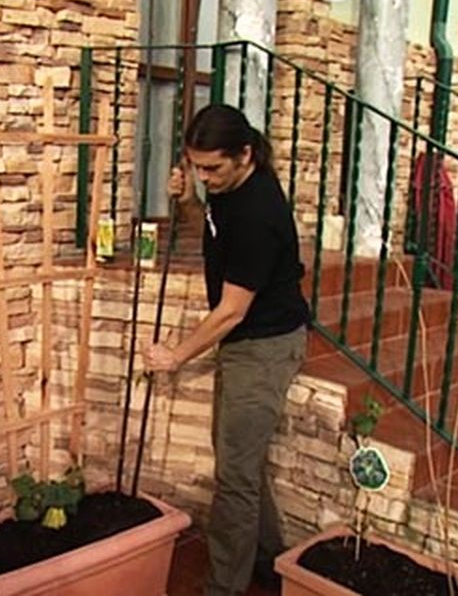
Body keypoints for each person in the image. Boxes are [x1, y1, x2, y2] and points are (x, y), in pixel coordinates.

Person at [143, 103, 310, 596]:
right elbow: (214, 238)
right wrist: (191, 203)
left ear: (243, 154)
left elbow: (232, 310)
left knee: (234, 477)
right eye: (196, 166)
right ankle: (269, 561)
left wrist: (176, 354)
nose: (204, 175)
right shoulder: (226, 190)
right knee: (241, 462)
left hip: (264, 345)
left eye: (212, 167)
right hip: (244, 340)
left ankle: (223, 588)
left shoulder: (260, 210)